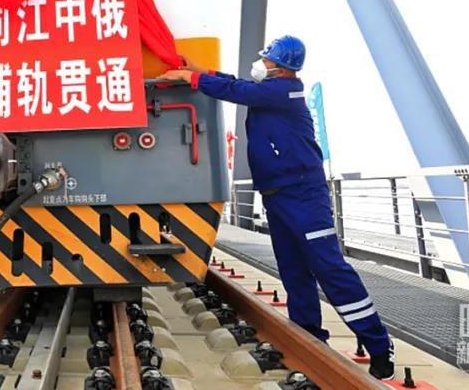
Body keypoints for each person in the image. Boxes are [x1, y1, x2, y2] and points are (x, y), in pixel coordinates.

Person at [159, 36, 396, 380]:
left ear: (281, 68)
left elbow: (238, 90)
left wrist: (192, 78)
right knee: (293, 269)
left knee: (329, 268)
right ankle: (309, 337)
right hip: (277, 194)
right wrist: (203, 71)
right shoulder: (271, 91)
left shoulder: (284, 92)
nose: (262, 64)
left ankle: (378, 344)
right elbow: (237, 84)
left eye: (268, 60)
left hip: (303, 194)